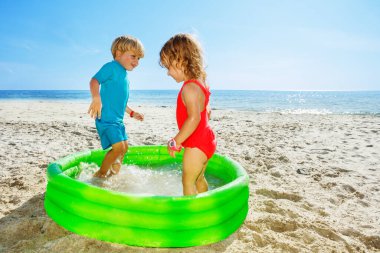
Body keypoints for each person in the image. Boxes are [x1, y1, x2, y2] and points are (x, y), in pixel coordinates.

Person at [159, 33, 217, 195]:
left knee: (187, 182)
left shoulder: (189, 88)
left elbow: (194, 118)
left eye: (168, 67)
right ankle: (204, 204)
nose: (168, 73)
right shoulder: (201, 81)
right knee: (198, 179)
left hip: (196, 145)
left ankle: (192, 217)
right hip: (207, 140)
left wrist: (176, 141)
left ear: (181, 61)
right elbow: (207, 111)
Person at [88, 35, 144, 178]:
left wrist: (132, 113)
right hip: (107, 118)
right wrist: (96, 98)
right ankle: (100, 174)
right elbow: (94, 81)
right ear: (118, 53)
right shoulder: (112, 67)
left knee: (124, 148)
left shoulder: (124, 75)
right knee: (118, 147)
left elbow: (121, 102)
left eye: (139, 58)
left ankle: (113, 175)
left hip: (117, 121)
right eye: (133, 56)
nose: (136, 62)